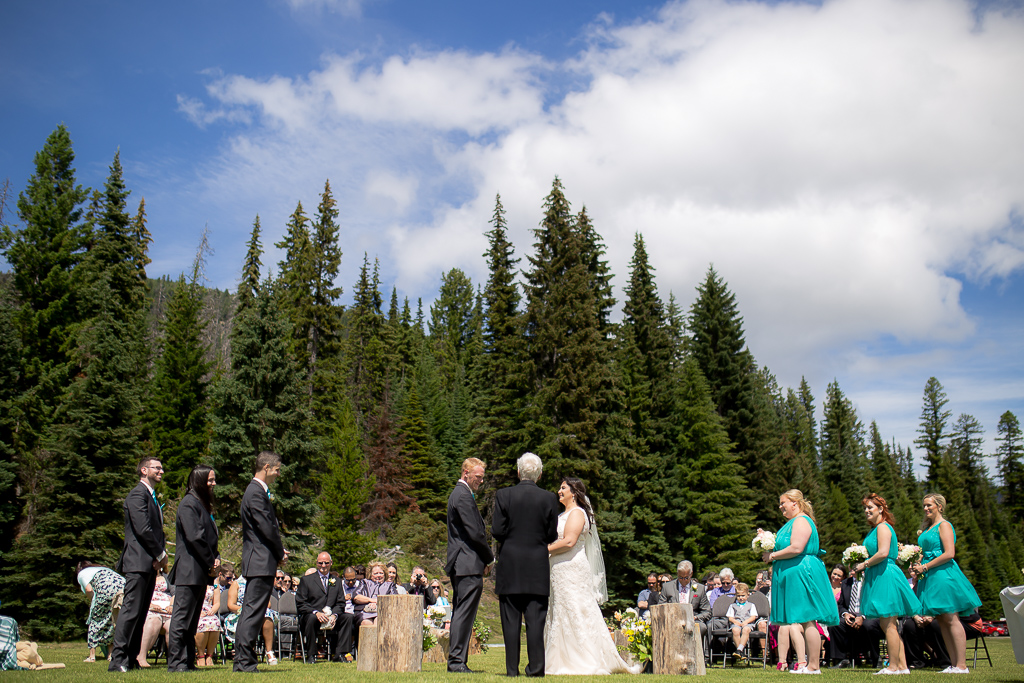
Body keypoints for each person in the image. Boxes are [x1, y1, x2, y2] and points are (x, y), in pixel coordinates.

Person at [545, 476, 640, 675]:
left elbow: (570, 541)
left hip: (572, 569)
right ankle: (560, 659)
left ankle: (584, 658)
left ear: (574, 492)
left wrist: (545, 549)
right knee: (560, 611)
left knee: (577, 610)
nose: (559, 491)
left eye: (563, 488)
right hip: (558, 570)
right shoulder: (563, 514)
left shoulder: (578, 513)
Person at [491, 452, 560, 677]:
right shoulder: (550, 498)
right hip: (537, 566)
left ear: (518, 472)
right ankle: (536, 669)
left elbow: (497, 531)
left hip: (510, 565)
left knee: (510, 622)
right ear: (539, 475)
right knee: (535, 622)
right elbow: (551, 534)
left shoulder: (503, 495)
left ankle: (512, 671)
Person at [762, 489, 839, 674]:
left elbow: (797, 547)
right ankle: (810, 665)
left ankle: (813, 666)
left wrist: (772, 555)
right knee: (804, 620)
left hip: (802, 572)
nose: (781, 507)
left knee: (808, 619)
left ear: (795, 503)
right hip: (794, 572)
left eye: (783, 503)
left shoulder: (802, 521)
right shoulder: (793, 522)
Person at [911, 493, 982, 674]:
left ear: (939, 506)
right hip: (930, 577)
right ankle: (953, 663)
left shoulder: (944, 525)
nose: (925, 508)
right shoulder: (928, 528)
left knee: (951, 618)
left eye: (929, 505)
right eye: (924, 506)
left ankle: (962, 665)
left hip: (943, 575)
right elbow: (924, 551)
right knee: (942, 620)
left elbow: (949, 553)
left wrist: (925, 566)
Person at [109, 457, 168, 672]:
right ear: (144, 470)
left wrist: (157, 558)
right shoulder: (137, 495)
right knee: (131, 611)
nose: (161, 471)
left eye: (162, 468)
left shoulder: (151, 497)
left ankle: (131, 659)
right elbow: (143, 529)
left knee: (141, 612)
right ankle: (118, 661)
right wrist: (161, 554)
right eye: (157, 468)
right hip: (137, 562)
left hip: (149, 563)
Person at [850, 493, 920, 675]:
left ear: (881, 509)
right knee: (887, 623)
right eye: (865, 508)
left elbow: (882, 553)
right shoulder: (875, 529)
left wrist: (863, 565)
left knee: (889, 623)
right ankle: (902, 666)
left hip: (885, 574)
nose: (866, 511)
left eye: (870, 507)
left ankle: (893, 666)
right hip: (877, 574)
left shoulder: (883, 527)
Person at [233, 451, 288, 672]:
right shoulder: (255, 492)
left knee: (253, 611)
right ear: (266, 467)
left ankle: (244, 661)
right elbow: (266, 527)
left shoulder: (257, 491)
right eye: (276, 470)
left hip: (261, 560)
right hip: (259, 560)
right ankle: (244, 661)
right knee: (253, 611)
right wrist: (279, 552)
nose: (277, 474)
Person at [167, 464, 220, 672]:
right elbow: (195, 537)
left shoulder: (201, 505)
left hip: (200, 570)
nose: (213, 484)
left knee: (192, 619)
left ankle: (187, 661)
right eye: (210, 480)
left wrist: (215, 558)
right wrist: (210, 562)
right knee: (181, 618)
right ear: (198, 481)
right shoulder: (188, 504)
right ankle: (177, 662)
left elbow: (208, 537)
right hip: (189, 570)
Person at [445, 457, 494, 674]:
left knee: (462, 612)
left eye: (482, 477)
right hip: (467, 563)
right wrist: (489, 558)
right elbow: (475, 532)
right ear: (466, 473)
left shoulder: (460, 494)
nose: (481, 481)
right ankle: (456, 662)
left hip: (464, 563)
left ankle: (458, 660)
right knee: (464, 613)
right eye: (478, 477)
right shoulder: (462, 495)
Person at [296, 552, 347, 664]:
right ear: (316, 563)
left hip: (331, 615)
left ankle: (340, 654)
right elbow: (301, 603)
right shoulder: (306, 580)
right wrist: (316, 613)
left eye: (326, 563)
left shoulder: (337, 581)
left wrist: (335, 615)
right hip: (312, 615)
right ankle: (311, 655)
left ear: (331, 563)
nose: (323, 565)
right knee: (311, 619)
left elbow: (341, 603)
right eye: (320, 563)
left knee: (347, 618)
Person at [76, 561, 126, 662]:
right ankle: (110, 655)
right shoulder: (102, 569)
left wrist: (92, 603)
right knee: (112, 621)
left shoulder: (81, 574)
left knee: (95, 621)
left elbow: (89, 589)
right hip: (123, 588)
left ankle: (92, 656)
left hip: (106, 589)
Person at [659, 560, 712, 638]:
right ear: (677, 574)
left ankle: (695, 649)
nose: (683, 580)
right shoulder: (667, 587)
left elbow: (707, 611)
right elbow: (660, 607)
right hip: (672, 620)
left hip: (693, 620)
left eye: (686, 578)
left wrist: (696, 617)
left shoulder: (700, 588)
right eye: (681, 577)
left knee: (702, 627)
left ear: (691, 574)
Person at [136, 574, 174, 668]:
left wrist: (171, 606)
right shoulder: (143, 577)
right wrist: (151, 605)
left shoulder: (167, 577)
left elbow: (175, 594)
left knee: (172, 626)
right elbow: (139, 594)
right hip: (150, 609)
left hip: (167, 610)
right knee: (154, 621)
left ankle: (174, 660)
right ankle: (141, 658)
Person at [727, 583, 763, 661]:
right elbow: (730, 617)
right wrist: (735, 621)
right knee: (735, 630)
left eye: (743, 595)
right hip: (737, 623)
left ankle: (739, 650)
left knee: (746, 630)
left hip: (748, 623)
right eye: (739, 596)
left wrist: (746, 622)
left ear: (747, 595)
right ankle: (741, 652)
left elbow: (753, 616)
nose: (741, 598)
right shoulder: (732, 606)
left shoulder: (751, 605)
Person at [194, 583, 222, 666]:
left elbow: (217, 603)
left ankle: (209, 656)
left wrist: (213, 610)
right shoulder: (195, 582)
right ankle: (201, 656)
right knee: (202, 623)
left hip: (209, 610)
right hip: (196, 610)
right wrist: (198, 611)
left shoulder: (215, 585)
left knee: (215, 623)